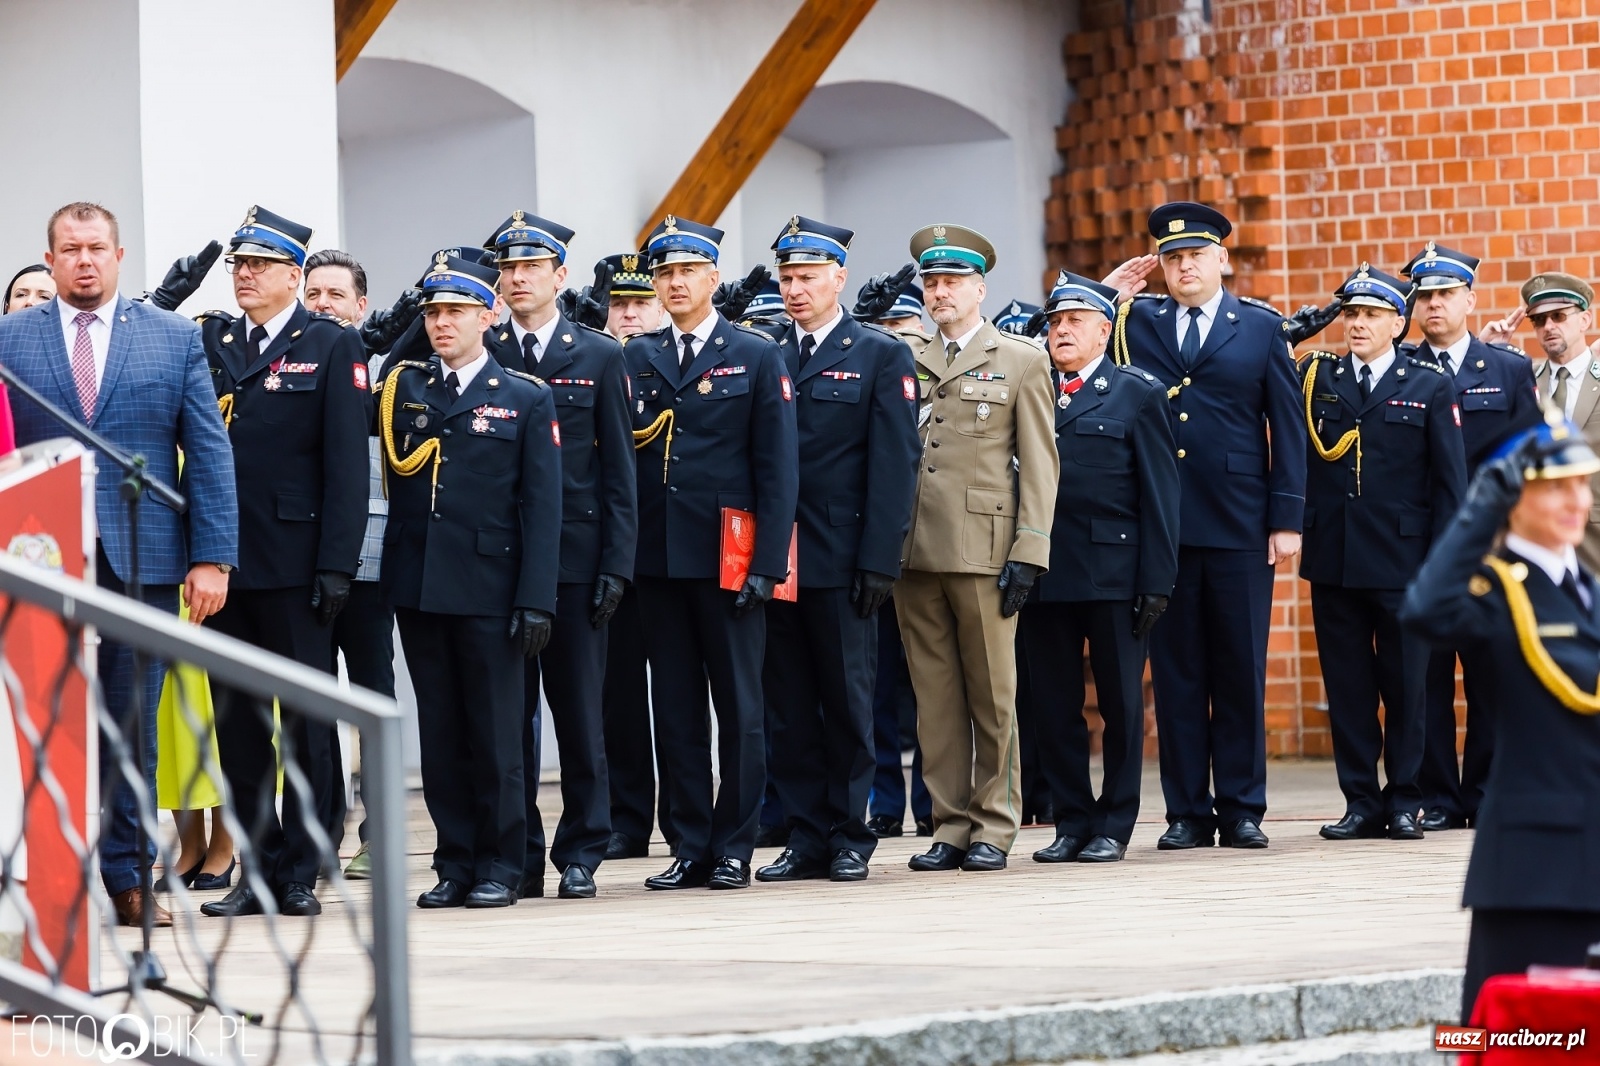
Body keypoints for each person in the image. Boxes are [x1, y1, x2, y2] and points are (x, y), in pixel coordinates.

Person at [0, 201, 237, 927]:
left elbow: (207, 449)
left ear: (119, 254)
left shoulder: (171, 339)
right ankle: (48, 876)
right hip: (39, 559)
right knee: (48, 722)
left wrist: (213, 557)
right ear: (49, 257)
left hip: (147, 558)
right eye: (69, 249)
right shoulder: (10, 338)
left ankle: (130, 878)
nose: (83, 260)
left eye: (96, 247)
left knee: (132, 725)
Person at [1108, 202, 1306, 851]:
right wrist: (1108, 296)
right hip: (1162, 523)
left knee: (1240, 666)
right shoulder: (1135, 323)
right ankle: (1187, 812)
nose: (1183, 265)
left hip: (1240, 521)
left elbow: (1287, 427)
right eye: (1171, 257)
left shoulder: (1259, 327)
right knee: (1177, 672)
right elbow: (1049, 336)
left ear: (1222, 258)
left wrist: (1286, 519)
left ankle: (1243, 806)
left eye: (1195, 254)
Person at [196, 206, 369, 919]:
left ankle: (301, 866)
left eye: (258, 265)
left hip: (298, 566)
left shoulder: (328, 345)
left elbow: (346, 468)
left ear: (292, 275)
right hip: (226, 565)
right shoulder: (213, 340)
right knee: (238, 726)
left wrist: (337, 564)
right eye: (238, 265)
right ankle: (255, 868)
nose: (243, 275)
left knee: (303, 722)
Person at [1398, 416, 1600, 1022]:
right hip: (1535, 867)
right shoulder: (1498, 588)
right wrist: (1480, 508)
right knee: (1496, 1036)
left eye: (1582, 484)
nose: (1574, 501)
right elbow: (1424, 613)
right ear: (1515, 498)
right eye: (1554, 486)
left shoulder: (1586, 588)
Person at [379, 253, 561, 909]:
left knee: (496, 736)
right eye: (432, 312)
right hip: (423, 587)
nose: (440, 323)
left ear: (489, 315)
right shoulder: (409, 388)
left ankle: (503, 863)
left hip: (493, 589)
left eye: (455, 311)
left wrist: (537, 597)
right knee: (444, 735)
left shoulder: (523, 397)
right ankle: (454, 861)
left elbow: (542, 507)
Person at [626, 215, 798, 891]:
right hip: (659, 559)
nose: (673, 283)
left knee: (740, 709)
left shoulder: (755, 355)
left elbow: (778, 469)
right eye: (664, 273)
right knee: (674, 712)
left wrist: (768, 564)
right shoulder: (636, 357)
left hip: (730, 560)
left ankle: (734, 845)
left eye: (685, 272)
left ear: (713, 278)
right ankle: (690, 843)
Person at [751, 217, 919, 885]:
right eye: (787, 278)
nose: (795, 290)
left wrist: (880, 559)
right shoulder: (767, 354)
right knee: (788, 705)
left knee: (847, 701)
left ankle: (851, 832)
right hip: (776, 557)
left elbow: (895, 465)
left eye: (808, 277)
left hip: (844, 554)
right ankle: (805, 833)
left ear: (838, 278)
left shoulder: (879, 354)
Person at [896, 223, 1058, 874]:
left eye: (952, 282)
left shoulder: (1020, 357)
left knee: (993, 695)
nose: (940, 293)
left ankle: (994, 823)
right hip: (915, 549)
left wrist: (1031, 548)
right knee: (934, 698)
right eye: (931, 283)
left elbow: (1040, 461)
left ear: (979, 288)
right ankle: (950, 822)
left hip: (985, 548)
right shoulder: (905, 355)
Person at [484, 211, 636, 900]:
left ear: (559, 276)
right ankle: (518, 850)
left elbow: (618, 473)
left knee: (579, 713)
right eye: (508, 268)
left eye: (530, 268)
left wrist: (616, 565)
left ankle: (583, 848)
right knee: (506, 717)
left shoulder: (599, 355)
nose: (517, 279)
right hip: (499, 564)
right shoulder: (480, 348)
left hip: (575, 558)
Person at [1300, 265, 1467, 841]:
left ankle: (1405, 799)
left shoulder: (1428, 384)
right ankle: (1360, 801)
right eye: (1351, 314)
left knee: (1406, 687)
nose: (1357, 324)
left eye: (1371, 315)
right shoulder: (1317, 378)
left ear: (1399, 322)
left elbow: (1450, 485)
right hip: (1336, 557)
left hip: (1405, 561)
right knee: (1347, 688)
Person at [1021, 272, 1179, 863]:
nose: (1062, 331)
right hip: (1043, 570)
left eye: (1075, 322)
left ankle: (1114, 821)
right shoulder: (1032, 387)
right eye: (1056, 322)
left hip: (1115, 573)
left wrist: (1157, 580)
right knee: (1055, 706)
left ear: (1104, 331)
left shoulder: (1136, 392)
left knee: (1118, 704)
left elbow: (1160, 495)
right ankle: (1071, 820)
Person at [1397, 243, 1539, 834]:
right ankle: (1438, 795)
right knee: (1424, 677)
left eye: (1445, 295)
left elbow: (1530, 458)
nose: (1433, 306)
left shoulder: (1506, 369)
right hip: (1415, 546)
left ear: (1469, 301)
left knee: (1488, 673)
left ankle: (1483, 792)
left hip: (1488, 548)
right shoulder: (1399, 367)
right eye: (1424, 297)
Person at [296, 249, 391, 882]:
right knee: (309, 701)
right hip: (306, 559)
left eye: (336, 295)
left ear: (361, 307)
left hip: (373, 562)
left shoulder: (391, 382)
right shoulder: (290, 372)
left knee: (370, 692)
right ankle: (317, 831)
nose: (323, 304)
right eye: (314, 294)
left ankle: (378, 833)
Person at [595, 252, 679, 860]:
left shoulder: (674, 365)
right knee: (617, 696)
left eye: (639, 302)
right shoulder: (592, 365)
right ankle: (627, 818)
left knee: (679, 695)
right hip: (610, 554)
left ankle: (681, 814)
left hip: (671, 551)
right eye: (619, 304)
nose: (628, 315)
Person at [859, 280, 931, 838]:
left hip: (930, 553)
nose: (896, 343)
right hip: (875, 552)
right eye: (884, 333)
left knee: (933, 686)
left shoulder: (944, 385)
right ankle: (885, 800)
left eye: (905, 333)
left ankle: (933, 799)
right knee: (877, 686)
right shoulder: (868, 378)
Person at [1522, 274, 1600, 570]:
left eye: (1558, 316)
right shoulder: (1525, 383)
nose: (1548, 327)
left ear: (1584, 320)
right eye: (1539, 321)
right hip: (1542, 548)